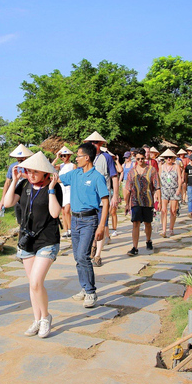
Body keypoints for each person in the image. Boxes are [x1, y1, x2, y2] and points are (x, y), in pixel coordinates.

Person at [3, 152, 62, 338]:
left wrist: (52, 189)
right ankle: (36, 319)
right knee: (32, 284)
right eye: (28, 171)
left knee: (37, 281)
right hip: (27, 240)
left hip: (47, 240)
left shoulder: (54, 187)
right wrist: (14, 181)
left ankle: (45, 318)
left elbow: (54, 213)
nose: (31, 175)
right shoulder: (24, 184)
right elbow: (8, 202)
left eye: (35, 171)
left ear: (46, 172)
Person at [59, 142, 109, 308]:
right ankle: (84, 287)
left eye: (79, 156)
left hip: (89, 220)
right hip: (75, 220)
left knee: (83, 255)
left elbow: (105, 201)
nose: (76, 159)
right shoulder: (75, 174)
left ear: (87, 158)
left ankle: (91, 292)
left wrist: (101, 226)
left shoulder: (97, 177)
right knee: (77, 257)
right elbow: (56, 177)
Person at [83, 132, 118, 267]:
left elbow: (114, 176)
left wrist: (115, 195)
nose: (93, 145)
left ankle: (98, 255)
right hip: (88, 199)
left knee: (101, 225)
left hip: (102, 198)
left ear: (101, 144)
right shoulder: (85, 158)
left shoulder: (107, 158)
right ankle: (92, 247)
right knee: (90, 226)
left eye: (96, 143)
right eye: (91, 142)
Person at [124, 149, 161, 255]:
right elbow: (127, 188)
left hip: (148, 200)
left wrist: (159, 201)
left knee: (147, 223)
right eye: (138, 159)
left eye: (142, 158)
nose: (140, 160)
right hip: (135, 201)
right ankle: (134, 247)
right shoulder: (132, 172)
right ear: (135, 158)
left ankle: (148, 240)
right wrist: (126, 203)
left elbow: (157, 186)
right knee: (135, 223)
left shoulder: (152, 170)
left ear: (145, 158)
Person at [0, 144, 34, 214]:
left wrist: (24, 176)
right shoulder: (13, 166)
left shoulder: (32, 166)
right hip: (17, 194)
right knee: (19, 216)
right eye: (18, 157)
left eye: (22, 157)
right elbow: (7, 182)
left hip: (30, 194)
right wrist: (3, 198)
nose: (20, 159)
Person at [52, 146, 75, 238]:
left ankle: (70, 229)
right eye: (62, 156)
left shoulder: (73, 165)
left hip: (69, 189)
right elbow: (50, 167)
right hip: (61, 189)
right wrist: (57, 157)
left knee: (67, 210)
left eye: (65, 156)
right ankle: (66, 230)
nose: (63, 158)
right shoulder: (61, 166)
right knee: (63, 211)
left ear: (69, 156)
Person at [158, 149, 181, 237]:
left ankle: (171, 228)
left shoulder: (176, 166)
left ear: (173, 158)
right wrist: (157, 192)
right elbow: (159, 180)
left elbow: (179, 178)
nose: (168, 159)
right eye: (167, 158)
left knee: (173, 210)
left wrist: (179, 188)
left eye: (170, 157)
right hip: (164, 189)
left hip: (174, 189)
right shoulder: (162, 167)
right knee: (163, 210)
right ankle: (163, 230)